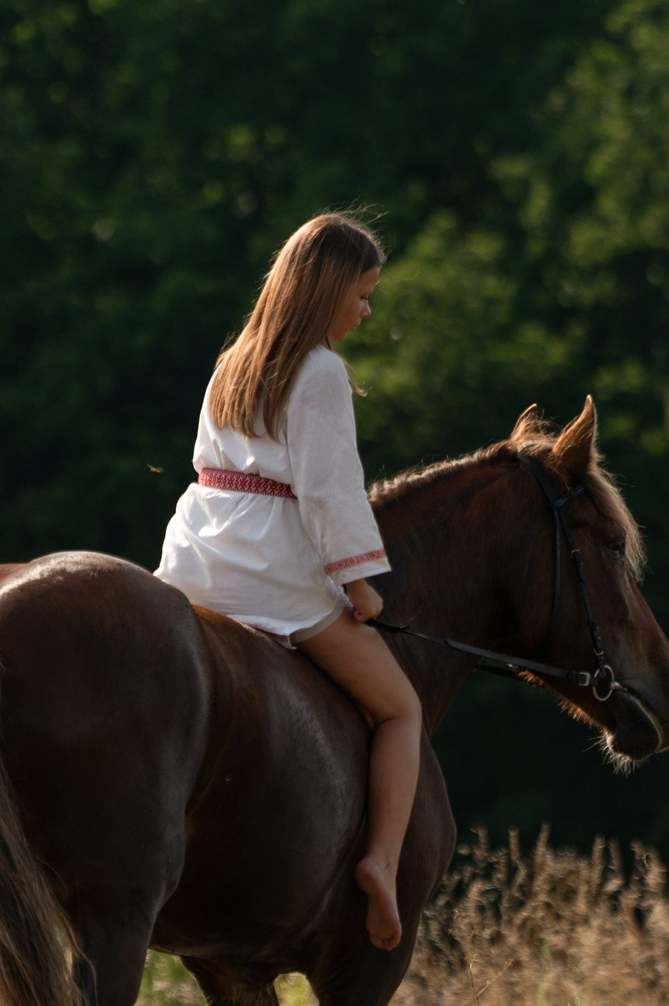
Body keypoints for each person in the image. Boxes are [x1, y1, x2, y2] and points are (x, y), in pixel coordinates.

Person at [157, 213, 420, 950]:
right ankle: (383, 863)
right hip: (272, 572)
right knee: (401, 709)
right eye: (363, 295)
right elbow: (330, 490)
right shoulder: (322, 370)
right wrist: (362, 584)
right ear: (332, 288)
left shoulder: (230, 363)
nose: (366, 311)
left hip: (197, 560)